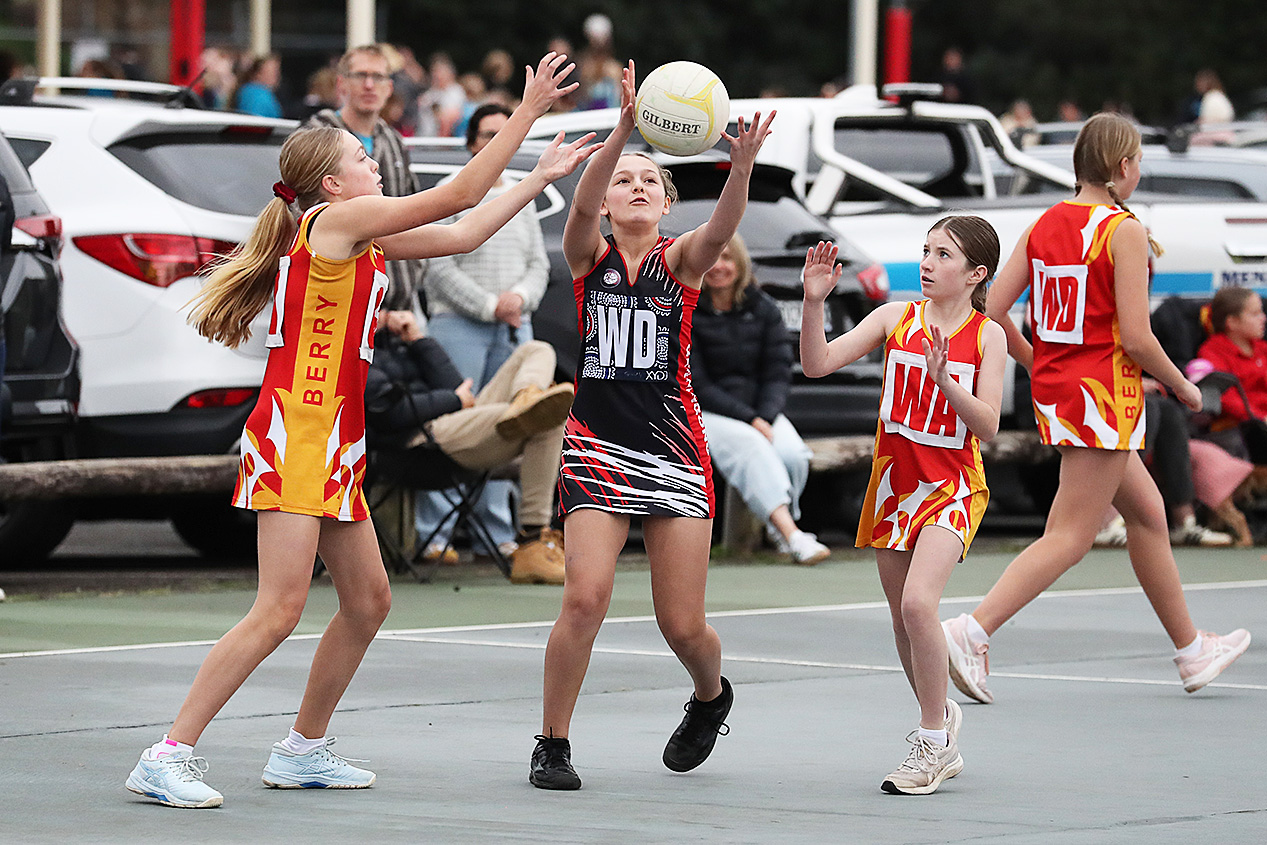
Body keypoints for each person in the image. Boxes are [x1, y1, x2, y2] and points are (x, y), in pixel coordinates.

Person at [124, 53, 592, 809]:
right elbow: (460, 190)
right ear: (332, 184)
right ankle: (167, 751)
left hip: (334, 441)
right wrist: (529, 113)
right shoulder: (334, 223)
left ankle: (302, 747)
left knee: (369, 598)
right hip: (296, 434)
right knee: (277, 608)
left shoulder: (360, 239)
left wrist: (537, 179)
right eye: (361, 158)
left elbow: (467, 228)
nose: (373, 162)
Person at [942, 113, 1251, 708]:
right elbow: (1135, 337)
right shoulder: (1122, 230)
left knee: (1149, 513)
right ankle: (971, 631)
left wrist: (1040, 361)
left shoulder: (1046, 224)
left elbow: (992, 309)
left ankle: (1191, 648)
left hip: (1066, 393)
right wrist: (1184, 386)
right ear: (1122, 168)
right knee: (1070, 535)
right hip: (1104, 397)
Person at [528, 61, 774, 791]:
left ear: (667, 205)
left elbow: (725, 225)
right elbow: (574, 208)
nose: (635, 186)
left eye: (649, 181)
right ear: (605, 202)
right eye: (623, 180)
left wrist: (740, 169)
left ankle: (709, 695)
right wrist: (623, 130)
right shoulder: (588, 257)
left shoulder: (684, 261)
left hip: (672, 451)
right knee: (584, 596)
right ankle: (553, 742)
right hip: (596, 445)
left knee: (682, 625)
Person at [802, 217, 1006, 794]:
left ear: (976, 273)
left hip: (953, 487)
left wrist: (946, 381)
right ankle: (938, 721)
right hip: (895, 486)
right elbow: (817, 364)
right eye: (926, 251)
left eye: (943, 254)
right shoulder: (895, 318)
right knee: (901, 616)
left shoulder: (987, 336)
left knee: (920, 604)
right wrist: (814, 303)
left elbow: (989, 426)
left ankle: (931, 740)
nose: (927, 262)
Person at [418, 103, 552, 565]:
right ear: (472, 142)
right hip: (458, 326)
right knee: (456, 420)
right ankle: (435, 537)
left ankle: (496, 534)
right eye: (488, 133)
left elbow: (540, 264)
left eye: (505, 131)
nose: (497, 139)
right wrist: (487, 304)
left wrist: (517, 298)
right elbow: (437, 269)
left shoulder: (521, 196)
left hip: (514, 326)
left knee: (509, 423)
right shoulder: (445, 195)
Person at [364, 309, 572, 583]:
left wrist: (418, 340)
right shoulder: (351, 351)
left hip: (457, 422)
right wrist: (453, 400)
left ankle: (526, 397)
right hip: (419, 443)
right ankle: (532, 540)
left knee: (538, 349)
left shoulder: (400, 342)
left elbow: (454, 384)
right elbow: (392, 414)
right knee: (549, 418)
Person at [691, 234, 830, 565]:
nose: (719, 266)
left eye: (727, 258)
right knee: (751, 448)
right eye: (713, 258)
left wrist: (765, 417)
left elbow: (777, 373)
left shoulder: (764, 308)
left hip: (760, 412)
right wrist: (751, 420)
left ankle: (779, 529)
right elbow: (698, 383)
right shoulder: (689, 309)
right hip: (707, 412)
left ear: (740, 264)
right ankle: (793, 535)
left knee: (793, 454)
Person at [309, 44, 424, 313]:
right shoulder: (316, 136)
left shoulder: (394, 141)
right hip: (339, 310)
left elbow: (413, 209)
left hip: (400, 310)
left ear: (390, 87)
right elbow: (300, 216)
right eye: (360, 76)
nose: (369, 85)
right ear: (342, 84)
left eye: (378, 77)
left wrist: (415, 272)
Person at [232, 54, 285, 118]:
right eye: (272, 72)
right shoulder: (256, 95)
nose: (277, 76)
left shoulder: (261, 92)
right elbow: (256, 122)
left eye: (277, 71)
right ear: (258, 74)